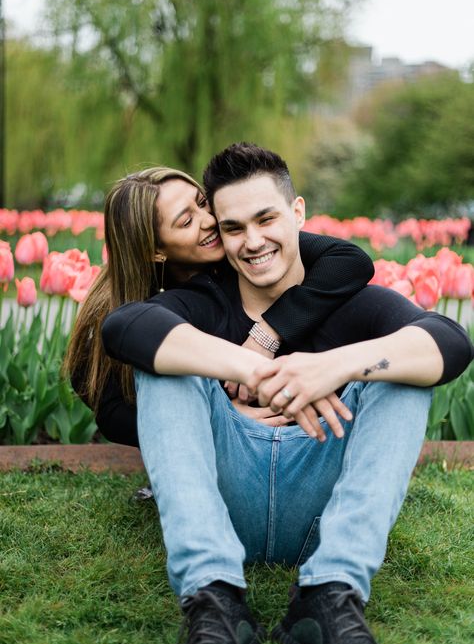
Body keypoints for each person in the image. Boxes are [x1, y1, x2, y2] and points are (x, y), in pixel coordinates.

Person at [102, 143, 474, 644]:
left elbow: (450, 340)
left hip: (323, 506)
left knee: (402, 369)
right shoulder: (205, 302)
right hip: (226, 496)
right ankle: (213, 600)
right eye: (233, 228)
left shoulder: (350, 300)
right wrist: (256, 369)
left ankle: (329, 594)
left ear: (297, 213)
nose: (252, 241)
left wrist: (331, 366)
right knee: (166, 364)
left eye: (266, 219)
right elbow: (126, 326)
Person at [65, 167, 374, 446]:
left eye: (202, 203)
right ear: (156, 250)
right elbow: (111, 415)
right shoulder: (121, 306)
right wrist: (220, 422)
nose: (210, 221)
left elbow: (350, 261)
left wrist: (266, 333)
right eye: (186, 221)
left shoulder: (242, 247)